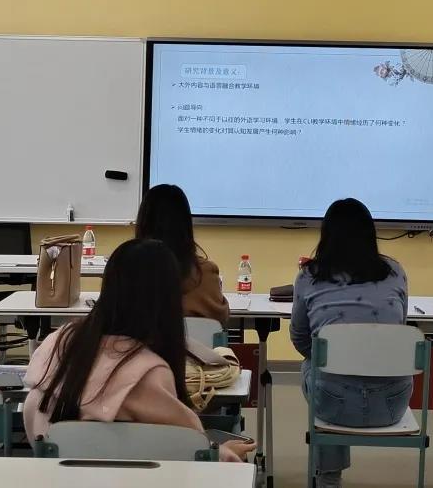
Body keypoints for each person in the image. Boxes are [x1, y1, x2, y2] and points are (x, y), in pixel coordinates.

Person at [23, 238, 252, 463]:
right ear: (168, 301)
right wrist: (221, 453)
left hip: (56, 475)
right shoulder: (148, 372)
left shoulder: (59, 341)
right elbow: (190, 450)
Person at [290, 198, 412, 488]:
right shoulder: (395, 272)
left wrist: (333, 358)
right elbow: (399, 330)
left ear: (326, 236)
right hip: (391, 404)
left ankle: (328, 476)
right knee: (327, 366)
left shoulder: (309, 276)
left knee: (315, 364)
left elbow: (299, 337)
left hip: (333, 404)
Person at [135, 184, 229, 325]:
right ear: (186, 224)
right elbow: (221, 319)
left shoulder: (126, 270)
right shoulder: (205, 273)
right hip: (195, 341)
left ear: (143, 222)